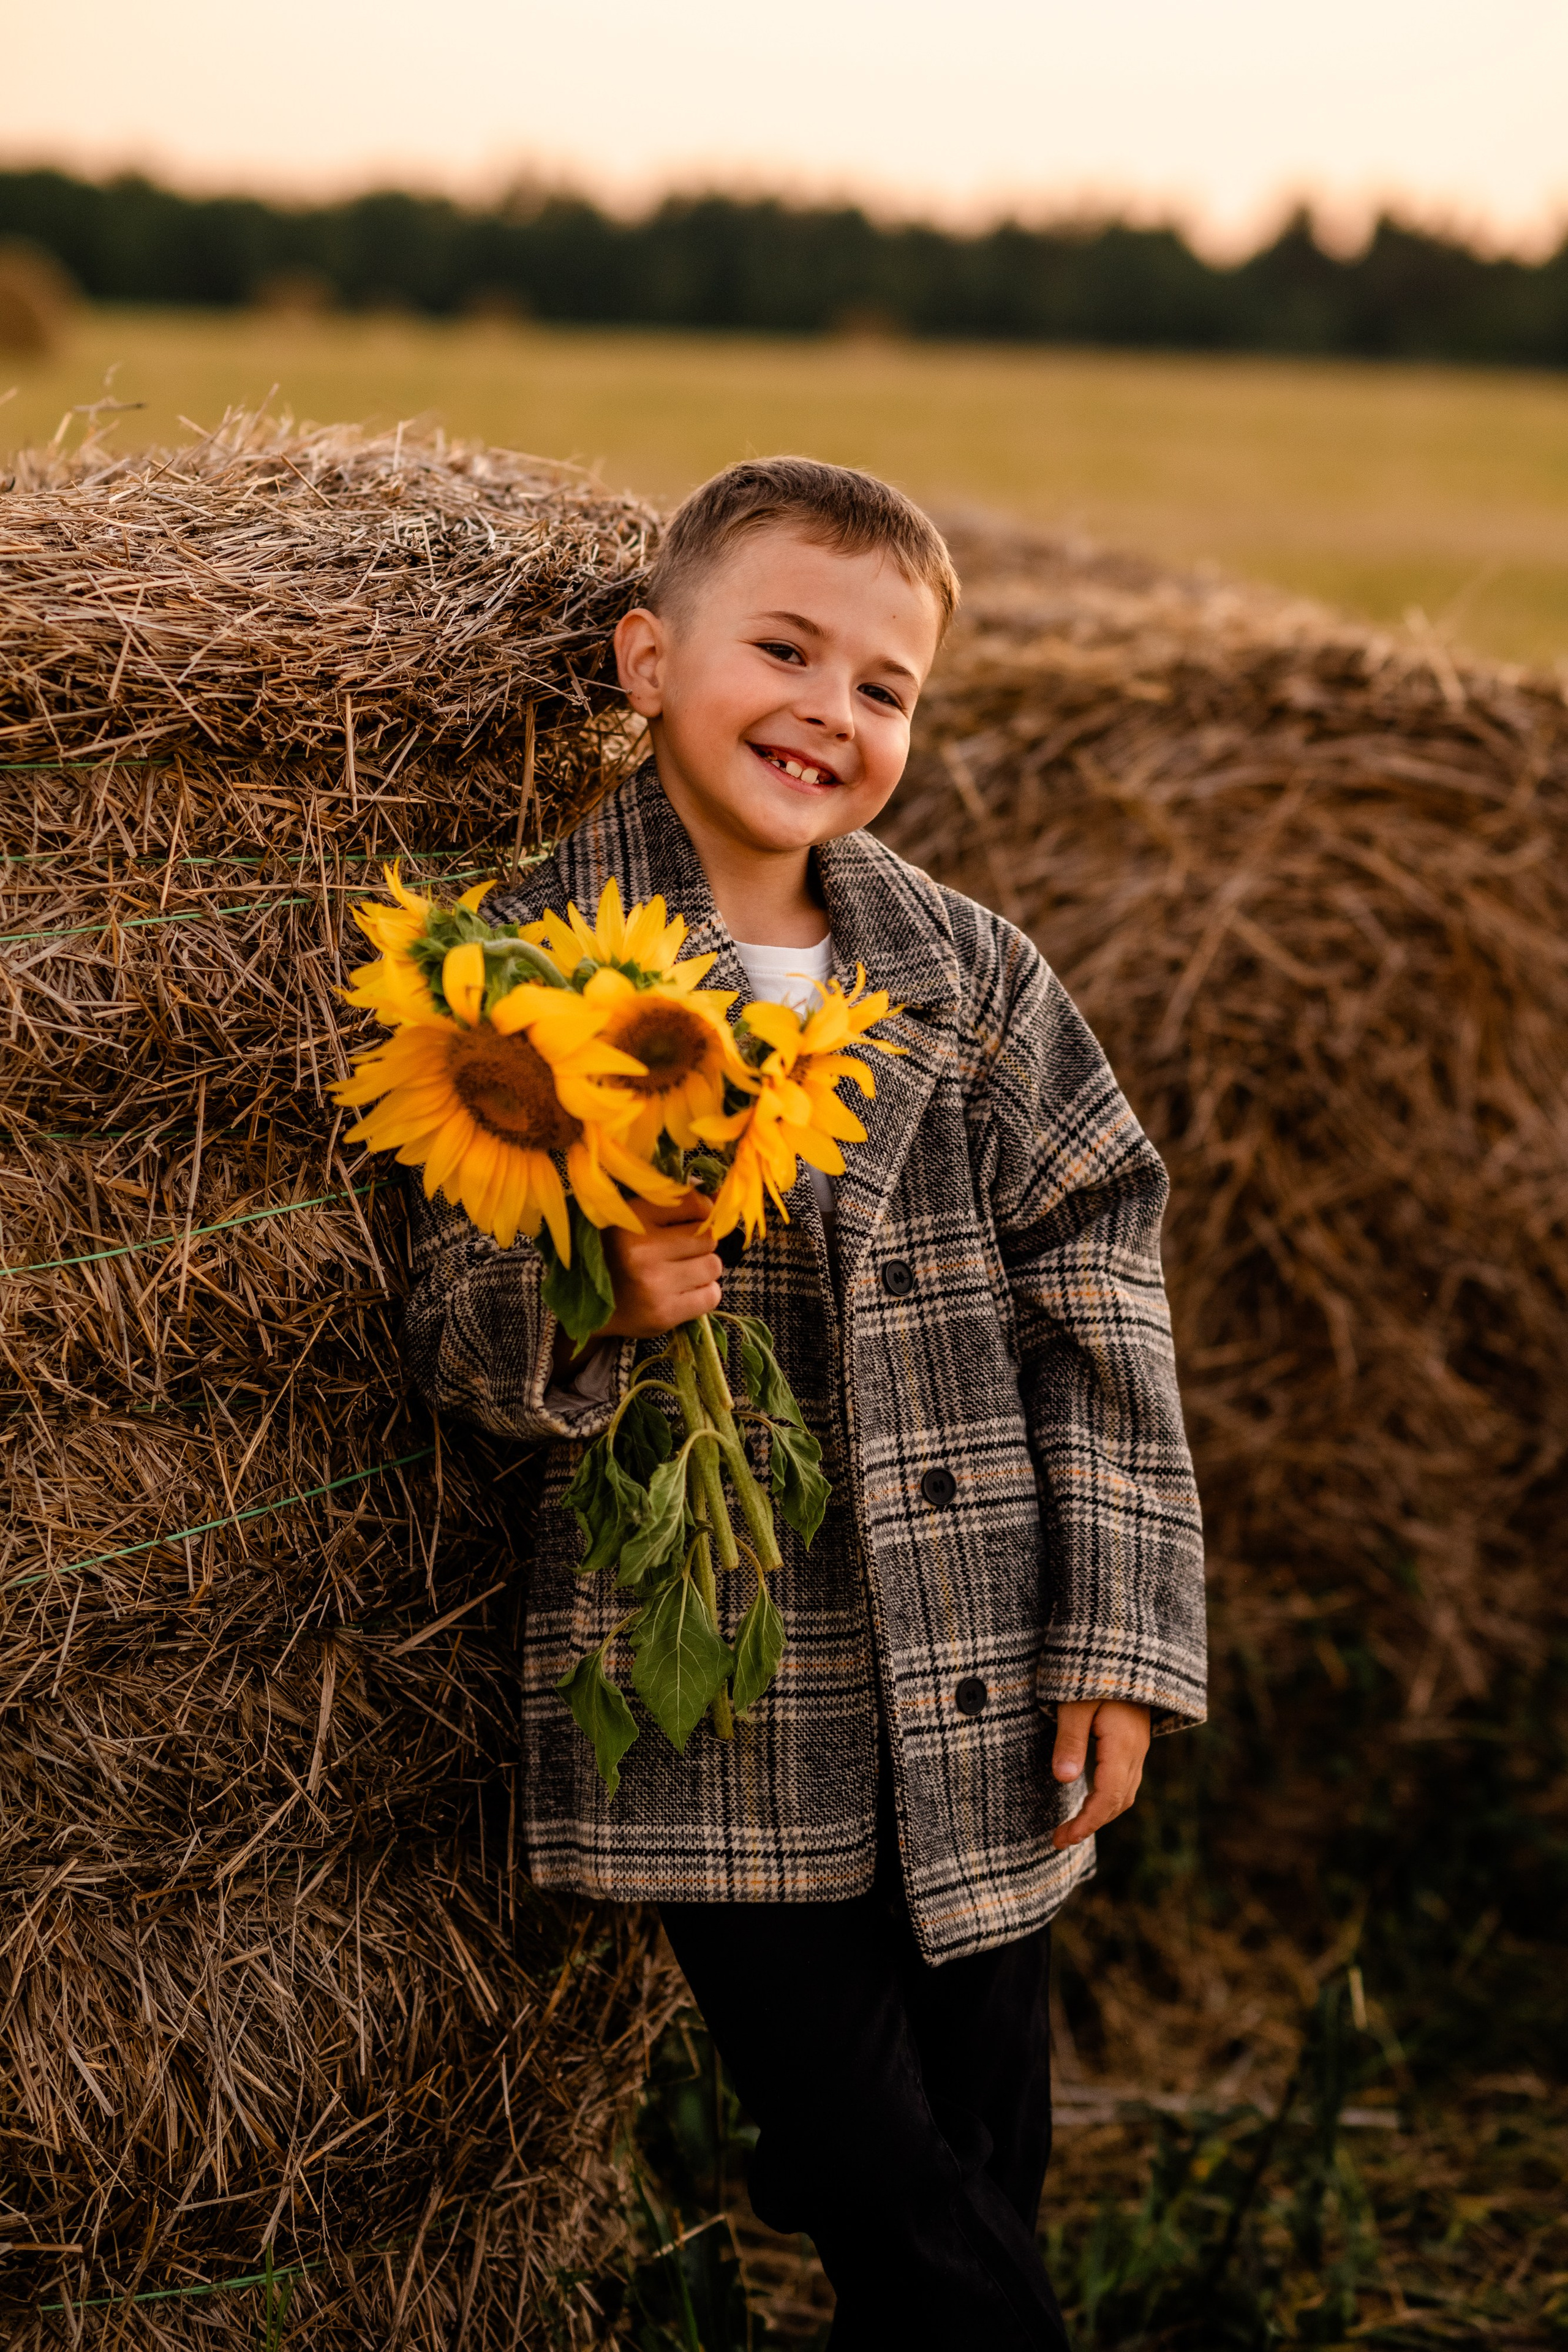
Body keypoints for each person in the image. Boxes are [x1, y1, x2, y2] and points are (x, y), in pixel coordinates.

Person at [402, 456, 1207, 2348]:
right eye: (784, 648)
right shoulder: (520, 964)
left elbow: (1104, 1280)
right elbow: (449, 1306)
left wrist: (1118, 1634)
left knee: (990, 2142)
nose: (827, 713)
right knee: (870, 2167)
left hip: (982, 1664)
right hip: (724, 1684)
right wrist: (584, 1300)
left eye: (883, 688)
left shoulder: (969, 971)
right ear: (644, 658)